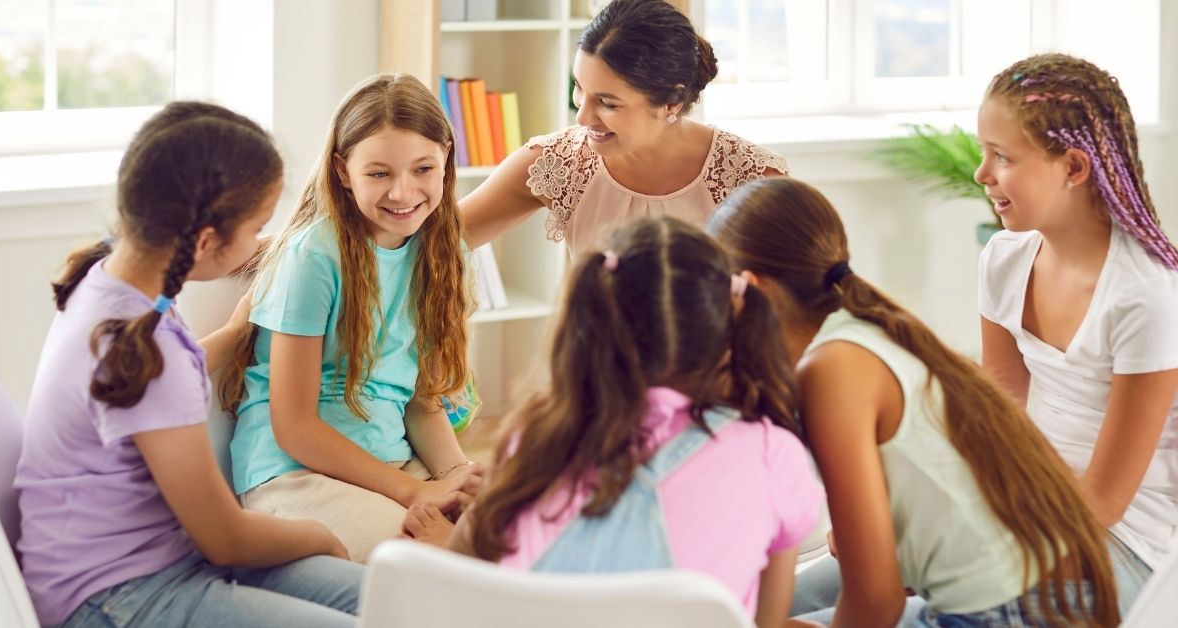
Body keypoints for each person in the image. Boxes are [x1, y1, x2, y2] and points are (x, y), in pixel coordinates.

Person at [709, 177, 1119, 626]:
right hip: (1056, 594)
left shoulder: (830, 371)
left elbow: (875, 606)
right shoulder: (867, 324)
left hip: (1014, 613)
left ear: (748, 287)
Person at [15, 102, 362, 628]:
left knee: (387, 596)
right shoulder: (150, 353)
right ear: (206, 242)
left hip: (158, 557)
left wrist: (231, 334)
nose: (258, 245)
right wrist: (316, 533)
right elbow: (226, 539)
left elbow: (143, 392)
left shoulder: (112, 282)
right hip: (116, 598)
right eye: (256, 229)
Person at [400, 216, 823, 628]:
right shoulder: (776, 452)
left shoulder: (534, 439)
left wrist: (493, 507)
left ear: (591, 328)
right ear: (728, 335)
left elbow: (460, 593)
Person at [218, 74, 480, 564]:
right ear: (343, 171)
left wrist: (457, 478)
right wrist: (413, 493)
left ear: (446, 158)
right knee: (429, 570)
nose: (403, 192)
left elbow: (422, 404)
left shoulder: (445, 255)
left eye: (423, 168)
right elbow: (294, 426)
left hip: (393, 466)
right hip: (294, 474)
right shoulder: (314, 257)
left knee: (503, 542)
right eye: (379, 174)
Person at [977, 52, 1178, 612]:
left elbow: (1105, 503)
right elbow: (999, 427)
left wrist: (964, 554)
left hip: (1125, 547)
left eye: (1002, 156)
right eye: (983, 153)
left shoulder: (1146, 295)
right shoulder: (1004, 260)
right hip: (1034, 512)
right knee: (810, 592)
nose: (982, 174)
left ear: (1072, 167)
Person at [460, 0, 788, 256]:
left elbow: (801, 304)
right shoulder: (559, 163)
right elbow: (436, 241)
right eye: (579, 87)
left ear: (672, 101)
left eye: (608, 103)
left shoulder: (751, 178)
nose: (582, 116)